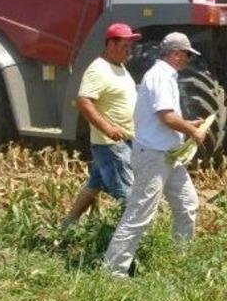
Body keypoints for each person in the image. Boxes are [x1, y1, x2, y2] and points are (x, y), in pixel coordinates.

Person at [103, 32, 206, 277]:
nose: (188, 60)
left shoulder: (165, 75)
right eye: (187, 55)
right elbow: (166, 117)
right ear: (176, 53)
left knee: (188, 205)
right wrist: (193, 130)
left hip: (169, 154)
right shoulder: (160, 75)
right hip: (153, 155)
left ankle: (177, 262)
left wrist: (189, 123)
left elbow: (167, 116)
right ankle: (112, 271)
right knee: (140, 214)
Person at [60, 22, 141, 229]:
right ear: (111, 45)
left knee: (94, 184)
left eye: (130, 46)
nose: (129, 51)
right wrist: (108, 129)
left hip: (123, 141)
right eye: (125, 46)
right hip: (110, 145)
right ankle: (125, 245)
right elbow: (83, 102)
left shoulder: (119, 67)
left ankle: (68, 225)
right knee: (129, 197)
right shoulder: (98, 69)